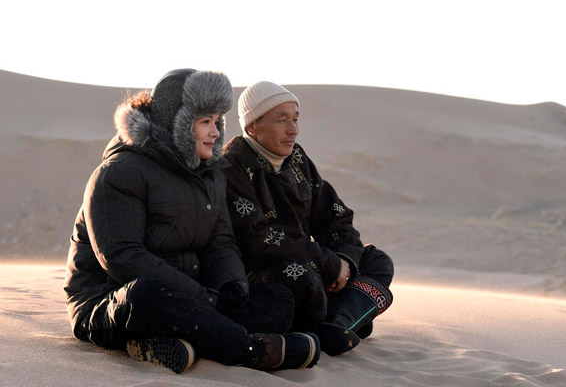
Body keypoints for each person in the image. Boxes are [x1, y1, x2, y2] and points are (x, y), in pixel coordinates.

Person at [63, 69, 320, 374]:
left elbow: (220, 242)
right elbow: (121, 257)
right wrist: (203, 298)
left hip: (194, 297)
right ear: (178, 123)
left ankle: (174, 343)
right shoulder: (118, 173)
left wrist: (230, 290)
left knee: (275, 298)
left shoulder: (210, 175)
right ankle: (251, 349)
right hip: (111, 300)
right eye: (204, 122)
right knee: (148, 295)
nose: (215, 132)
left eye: (217, 121)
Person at [222, 81, 394, 356]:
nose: (293, 130)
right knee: (303, 280)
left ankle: (337, 322)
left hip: (317, 266)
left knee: (378, 260)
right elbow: (260, 240)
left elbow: (336, 216)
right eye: (282, 120)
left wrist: (344, 261)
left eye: (295, 119)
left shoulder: (298, 159)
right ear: (253, 125)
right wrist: (327, 264)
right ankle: (347, 317)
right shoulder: (233, 168)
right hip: (270, 275)